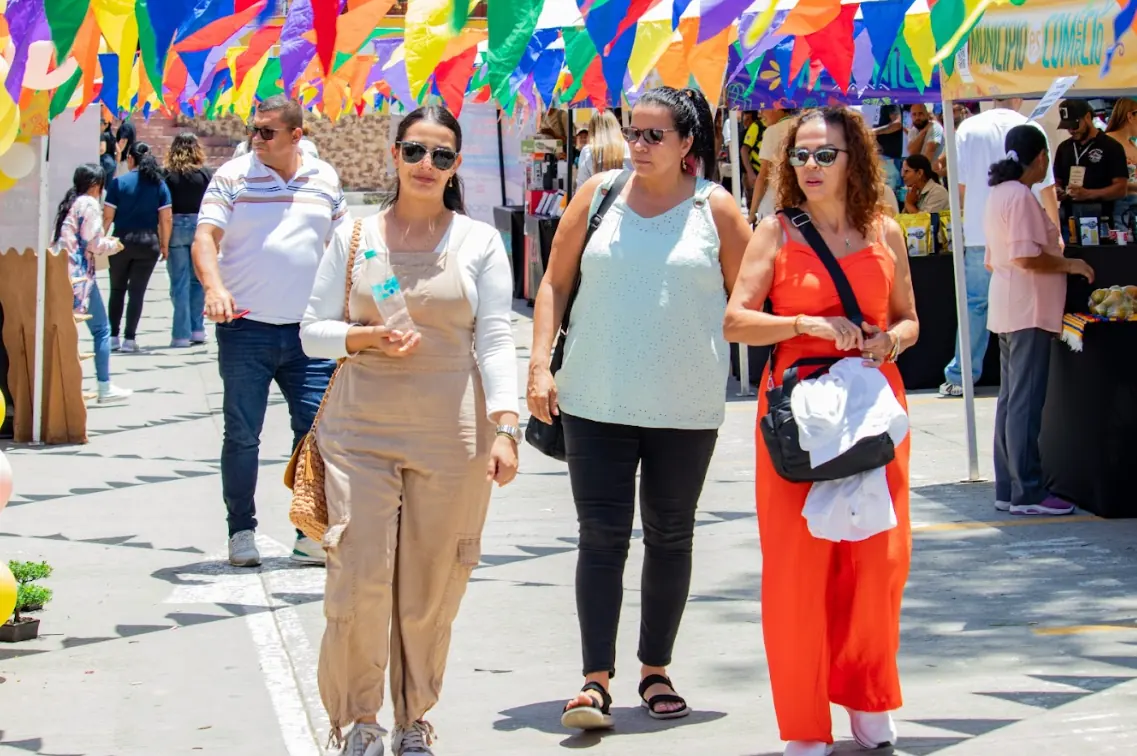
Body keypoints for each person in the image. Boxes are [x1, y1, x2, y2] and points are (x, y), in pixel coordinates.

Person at [527, 86, 750, 731]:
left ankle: (655, 669)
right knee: (601, 536)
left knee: (670, 534)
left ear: (688, 144)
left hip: (685, 404)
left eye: (655, 135)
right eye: (633, 132)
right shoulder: (597, 196)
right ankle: (595, 680)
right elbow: (554, 282)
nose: (639, 146)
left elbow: (746, 301)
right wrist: (540, 365)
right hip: (594, 397)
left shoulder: (719, 210)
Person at [301, 105, 519, 756]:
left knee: (432, 584)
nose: (428, 165)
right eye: (416, 151)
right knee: (357, 576)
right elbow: (312, 333)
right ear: (395, 154)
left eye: (443, 155)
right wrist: (362, 335)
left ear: (455, 167)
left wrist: (505, 425)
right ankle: (359, 721)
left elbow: (496, 335)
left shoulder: (477, 241)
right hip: (359, 424)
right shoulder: (355, 235)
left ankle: (412, 718)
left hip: (452, 426)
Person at [723, 107, 919, 756]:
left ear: (853, 160)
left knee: (877, 566)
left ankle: (867, 700)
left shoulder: (884, 231)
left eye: (823, 154)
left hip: (871, 411)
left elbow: (908, 319)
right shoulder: (775, 233)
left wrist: (889, 342)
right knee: (797, 573)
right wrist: (804, 327)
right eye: (798, 155)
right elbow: (736, 322)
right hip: (796, 418)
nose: (808, 166)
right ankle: (805, 726)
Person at [193, 95, 346, 568]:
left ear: (296, 135)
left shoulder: (325, 180)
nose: (256, 139)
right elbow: (205, 238)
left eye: (267, 132)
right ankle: (241, 530)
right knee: (242, 435)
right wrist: (214, 287)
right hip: (245, 330)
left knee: (315, 434)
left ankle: (308, 532)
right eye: (253, 130)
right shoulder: (232, 176)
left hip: (309, 335)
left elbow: (347, 247)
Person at [985, 125, 1095, 518]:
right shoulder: (1018, 196)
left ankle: (1009, 486)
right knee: (1024, 403)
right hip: (1026, 308)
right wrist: (1071, 264)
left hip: (1011, 304)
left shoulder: (1002, 194)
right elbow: (1027, 257)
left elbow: (999, 257)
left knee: (1012, 400)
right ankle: (1027, 490)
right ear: (1041, 158)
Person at [939, 98, 1059, 398]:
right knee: (1023, 307)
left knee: (975, 306)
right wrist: (1055, 233)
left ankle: (962, 375)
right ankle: (1015, 375)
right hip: (1022, 230)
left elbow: (959, 186)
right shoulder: (1030, 127)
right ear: (1017, 99)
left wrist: (961, 227)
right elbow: (1048, 185)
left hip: (982, 229)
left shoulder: (968, 127)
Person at [53, 164, 132, 404]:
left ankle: (65, 386)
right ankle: (104, 385)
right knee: (101, 329)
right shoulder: (89, 204)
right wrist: (113, 245)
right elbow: (94, 243)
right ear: (97, 185)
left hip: (63, 272)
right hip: (79, 277)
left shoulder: (71, 203)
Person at [103, 142, 172, 353]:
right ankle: (129, 339)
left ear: (130, 159)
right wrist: (164, 245)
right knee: (137, 292)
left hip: (121, 241)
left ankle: (112, 336)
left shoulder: (118, 183)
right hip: (148, 241)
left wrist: (98, 240)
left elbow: (107, 217)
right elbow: (166, 218)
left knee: (117, 289)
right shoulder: (159, 184)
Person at [164, 133, 212, 347]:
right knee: (198, 281)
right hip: (199, 225)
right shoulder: (205, 174)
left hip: (175, 226)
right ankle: (197, 329)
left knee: (179, 282)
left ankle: (181, 334)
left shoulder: (167, 175)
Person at [1054, 98, 1129, 232]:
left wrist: (1088, 194)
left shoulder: (1111, 146)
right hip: (1069, 220)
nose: (1072, 130)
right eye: (1067, 127)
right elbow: (1057, 180)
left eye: (1075, 125)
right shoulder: (1064, 148)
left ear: (1088, 117)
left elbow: (1121, 188)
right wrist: (1058, 190)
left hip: (1102, 220)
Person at [749, 104, 796, 224]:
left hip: (773, 208)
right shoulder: (803, 126)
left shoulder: (772, 131)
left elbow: (763, 176)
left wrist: (752, 214)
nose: (761, 113)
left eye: (764, 107)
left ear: (778, 106)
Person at [574, 110, 632, 190]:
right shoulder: (629, 147)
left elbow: (582, 186)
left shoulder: (588, 151)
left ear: (592, 129)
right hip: (628, 198)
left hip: (599, 200)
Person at [1103, 97, 1137, 229]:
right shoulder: (1108, 142)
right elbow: (1105, 179)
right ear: (1130, 116)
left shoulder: (1132, 144)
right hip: (1118, 207)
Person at [741, 110, 764, 205]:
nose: (745, 122)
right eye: (744, 119)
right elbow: (744, 150)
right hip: (755, 174)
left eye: (748, 119)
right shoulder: (756, 127)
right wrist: (750, 173)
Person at [99, 115, 118, 185]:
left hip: (104, 163)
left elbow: (102, 149)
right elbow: (118, 151)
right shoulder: (111, 135)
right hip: (111, 163)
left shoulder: (101, 135)